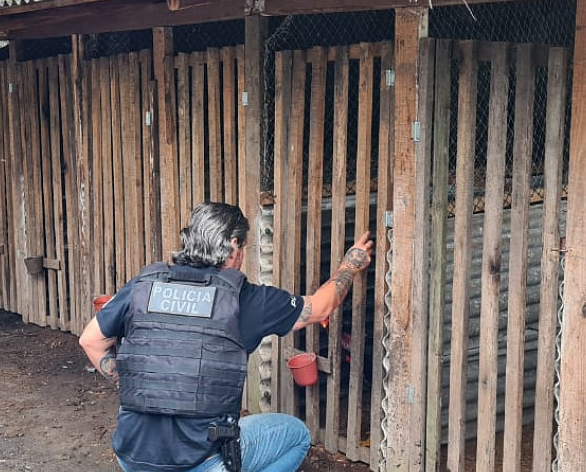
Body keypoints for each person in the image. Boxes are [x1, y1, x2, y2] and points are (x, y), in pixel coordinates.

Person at [79, 202, 373, 472]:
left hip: (134, 456)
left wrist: (133, 385)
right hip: (199, 461)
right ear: (234, 245)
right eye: (244, 246)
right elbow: (321, 307)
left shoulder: (144, 286)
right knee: (295, 435)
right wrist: (350, 265)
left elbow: (90, 341)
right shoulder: (244, 299)